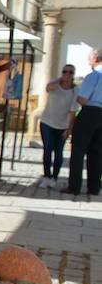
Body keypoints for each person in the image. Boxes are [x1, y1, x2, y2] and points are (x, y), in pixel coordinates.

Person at [62, 48, 102, 195]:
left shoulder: (93, 75)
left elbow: (83, 98)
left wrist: (79, 99)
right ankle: (94, 187)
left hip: (89, 112)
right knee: (97, 152)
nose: (88, 62)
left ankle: (74, 186)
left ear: (95, 59)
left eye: (89, 59)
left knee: (78, 150)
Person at [38, 64, 79, 188]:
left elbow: (73, 111)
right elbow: (48, 88)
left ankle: (54, 177)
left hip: (63, 125)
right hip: (47, 122)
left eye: (70, 72)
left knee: (59, 151)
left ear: (73, 75)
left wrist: (69, 129)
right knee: (47, 148)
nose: (67, 74)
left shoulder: (75, 90)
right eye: (64, 71)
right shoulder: (55, 84)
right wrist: (59, 80)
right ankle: (46, 176)